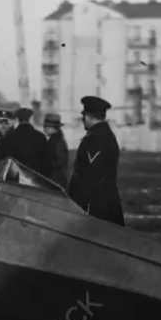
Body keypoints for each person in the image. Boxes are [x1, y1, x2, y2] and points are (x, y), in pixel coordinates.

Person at [67, 96, 124, 225]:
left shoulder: (94, 139)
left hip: (95, 206)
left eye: (84, 116)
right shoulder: (107, 135)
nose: (83, 120)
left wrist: (76, 206)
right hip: (107, 203)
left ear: (88, 116)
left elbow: (88, 176)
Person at [1, 107, 50, 176]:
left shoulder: (8, 137)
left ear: (18, 119)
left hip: (15, 177)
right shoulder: (40, 137)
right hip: (35, 177)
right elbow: (46, 161)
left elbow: (4, 160)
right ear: (30, 119)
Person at [42, 113, 69, 187]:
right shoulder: (55, 139)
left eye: (45, 126)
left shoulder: (57, 142)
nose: (44, 129)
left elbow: (60, 161)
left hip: (56, 181)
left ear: (53, 127)